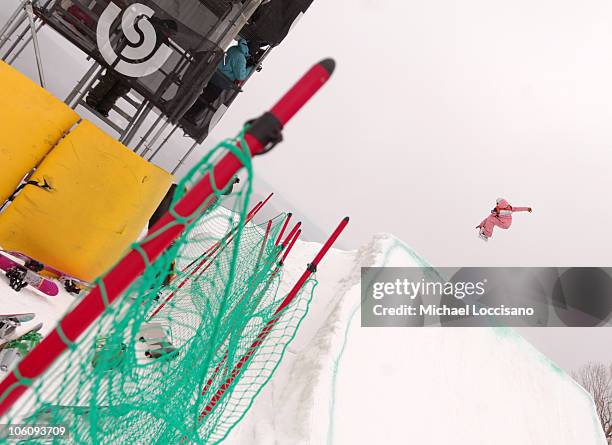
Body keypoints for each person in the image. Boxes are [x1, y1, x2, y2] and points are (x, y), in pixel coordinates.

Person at [86, 17, 178, 117]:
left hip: (130, 61)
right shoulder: (151, 31)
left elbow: (156, 60)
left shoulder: (148, 27)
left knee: (117, 83)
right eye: (171, 33)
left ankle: (98, 102)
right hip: (130, 60)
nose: (170, 35)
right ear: (166, 28)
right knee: (116, 82)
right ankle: (99, 102)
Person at [183, 39, 254, 125]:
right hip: (222, 81)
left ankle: (188, 112)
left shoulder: (234, 48)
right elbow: (240, 76)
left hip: (215, 74)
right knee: (207, 99)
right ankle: (189, 115)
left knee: (204, 96)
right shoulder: (241, 58)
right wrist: (249, 67)